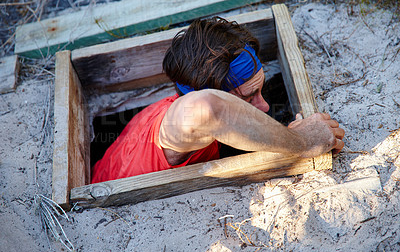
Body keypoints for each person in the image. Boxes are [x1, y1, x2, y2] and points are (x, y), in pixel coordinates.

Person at [91, 17, 345, 183]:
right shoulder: (178, 135)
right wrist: (303, 141)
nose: (265, 106)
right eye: (247, 97)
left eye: (260, 89)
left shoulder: (169, 105)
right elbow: (208, 108)